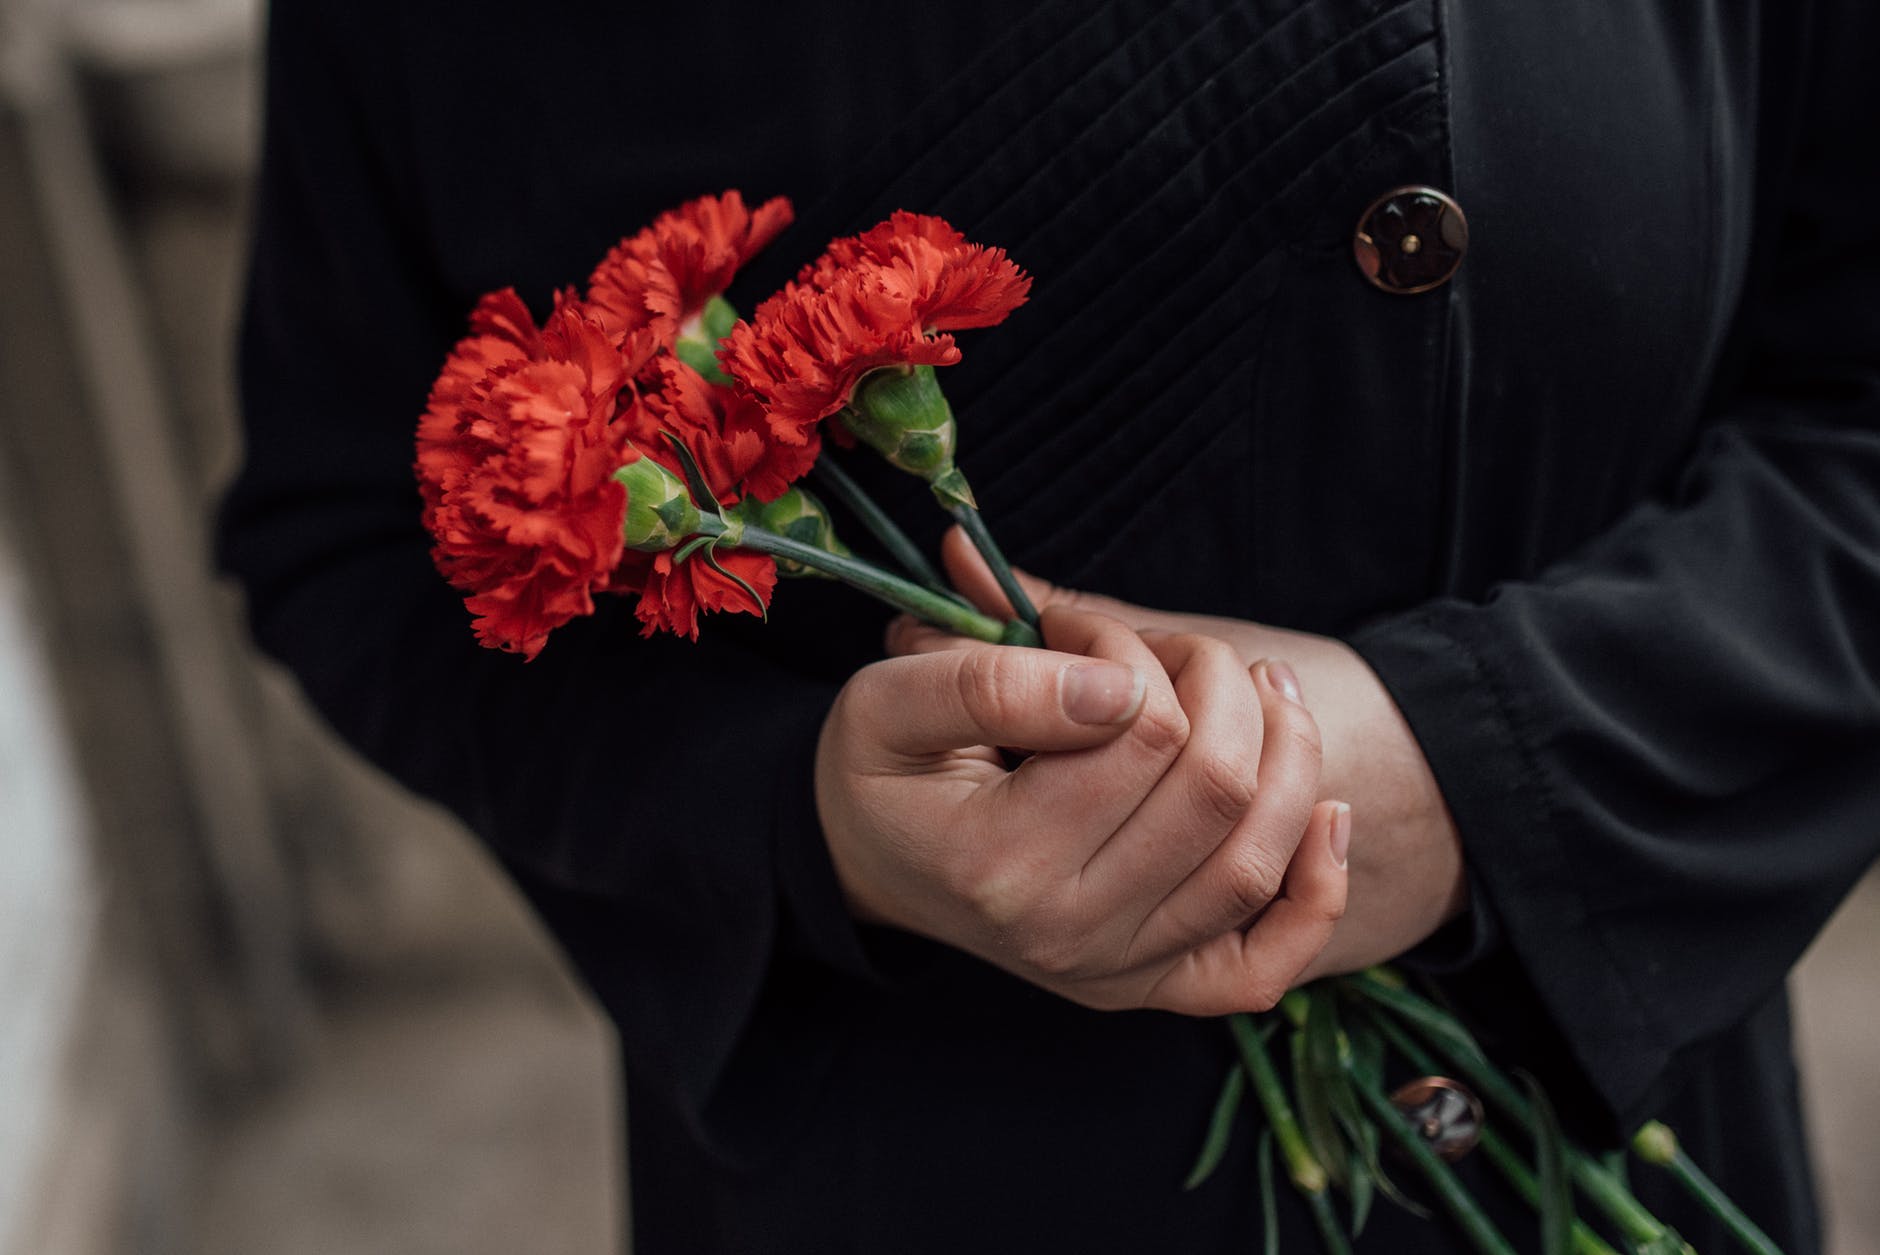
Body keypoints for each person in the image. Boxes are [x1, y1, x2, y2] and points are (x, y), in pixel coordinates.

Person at [219, 1, 1880, 1251]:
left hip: (1596, 1101)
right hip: (918, 1172)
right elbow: (351, 530)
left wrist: (1485, 763)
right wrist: (805, 819)